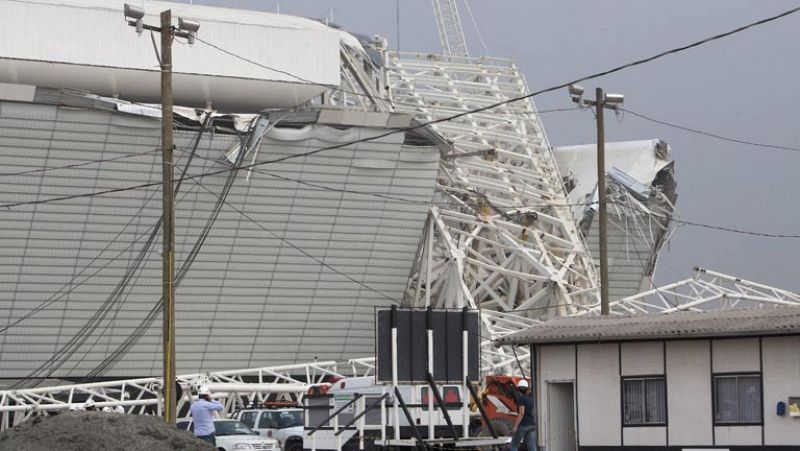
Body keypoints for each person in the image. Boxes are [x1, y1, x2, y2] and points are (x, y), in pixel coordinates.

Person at [510, 379, 537, 451]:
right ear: (527, 389)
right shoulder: (531, 399)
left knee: (514, 445)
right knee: (532, 447)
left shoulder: (521, 399)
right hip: (532, 425)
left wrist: (515, 426)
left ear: (518, 389)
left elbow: (521, 413)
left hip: (524, 425)